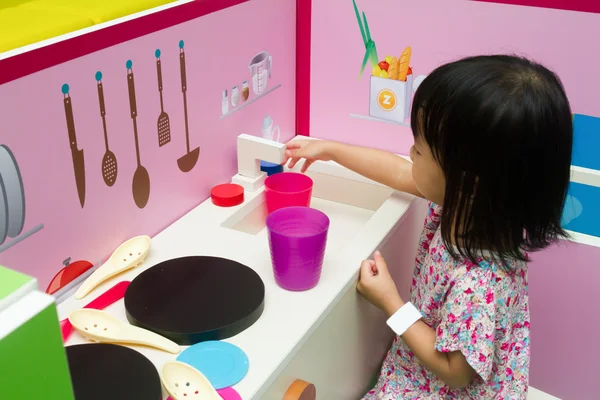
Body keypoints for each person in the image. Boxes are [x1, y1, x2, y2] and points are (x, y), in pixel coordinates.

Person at [284, 55, 573, 399]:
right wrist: (330, 150)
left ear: (468, 179)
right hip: (424, 365)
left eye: (420, 150)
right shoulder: (469, 204)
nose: (410, 152)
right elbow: (397, 170)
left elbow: (455, 372)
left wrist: (391, 302)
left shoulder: (478, 282)